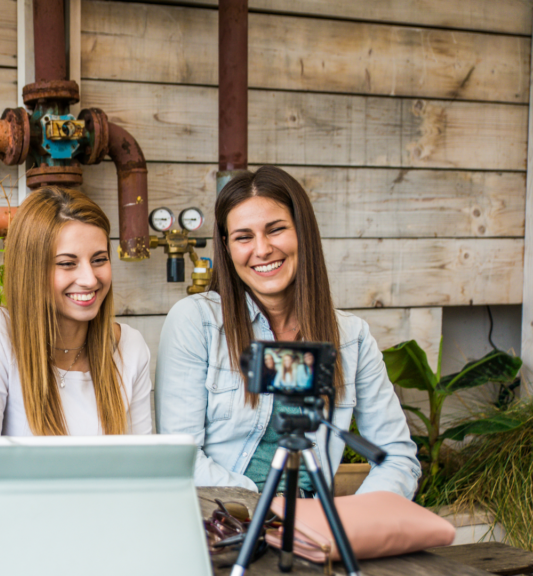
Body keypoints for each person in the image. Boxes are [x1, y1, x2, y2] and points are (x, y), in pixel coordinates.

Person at [155, 166, 420, 498]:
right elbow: (182, 461)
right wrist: (271, 513)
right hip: (225, 525)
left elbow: (397, 456)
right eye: (243, 237)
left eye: (276, 229)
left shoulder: (351, 337)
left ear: (302, 233)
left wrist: (353, 522)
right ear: (226, 247)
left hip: (314, 530)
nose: (262, 249)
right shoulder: (199, 322)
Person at [0, 186, 153, 503]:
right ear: (32, 269)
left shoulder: (131, 347)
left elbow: (147, 473)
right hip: (21, 533)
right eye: (67, 263)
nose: (89, 279)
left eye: (99, 259)